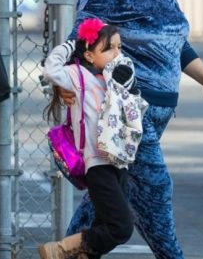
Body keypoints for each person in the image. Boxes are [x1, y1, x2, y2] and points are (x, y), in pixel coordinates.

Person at [62, 0, 203, 258]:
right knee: (155, 189)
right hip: (127, 113)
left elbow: (177, 44)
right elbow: (80, 45)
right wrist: (69, 87)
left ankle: (65, 250)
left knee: (106, 198)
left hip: (157, 113)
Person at [40, 18, 145, 259]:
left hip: (119, 162)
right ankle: (62, 248)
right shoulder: (78, 78)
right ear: (89, 56)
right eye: (108, 49)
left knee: (105, 225)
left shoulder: (115, 79)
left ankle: (81, 253)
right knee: (122, 226)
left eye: (119, 47)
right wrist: (70, 44)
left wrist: (129, 89)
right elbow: (51, 69)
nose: (116, 53)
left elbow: (136, 115)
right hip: (98, 165)